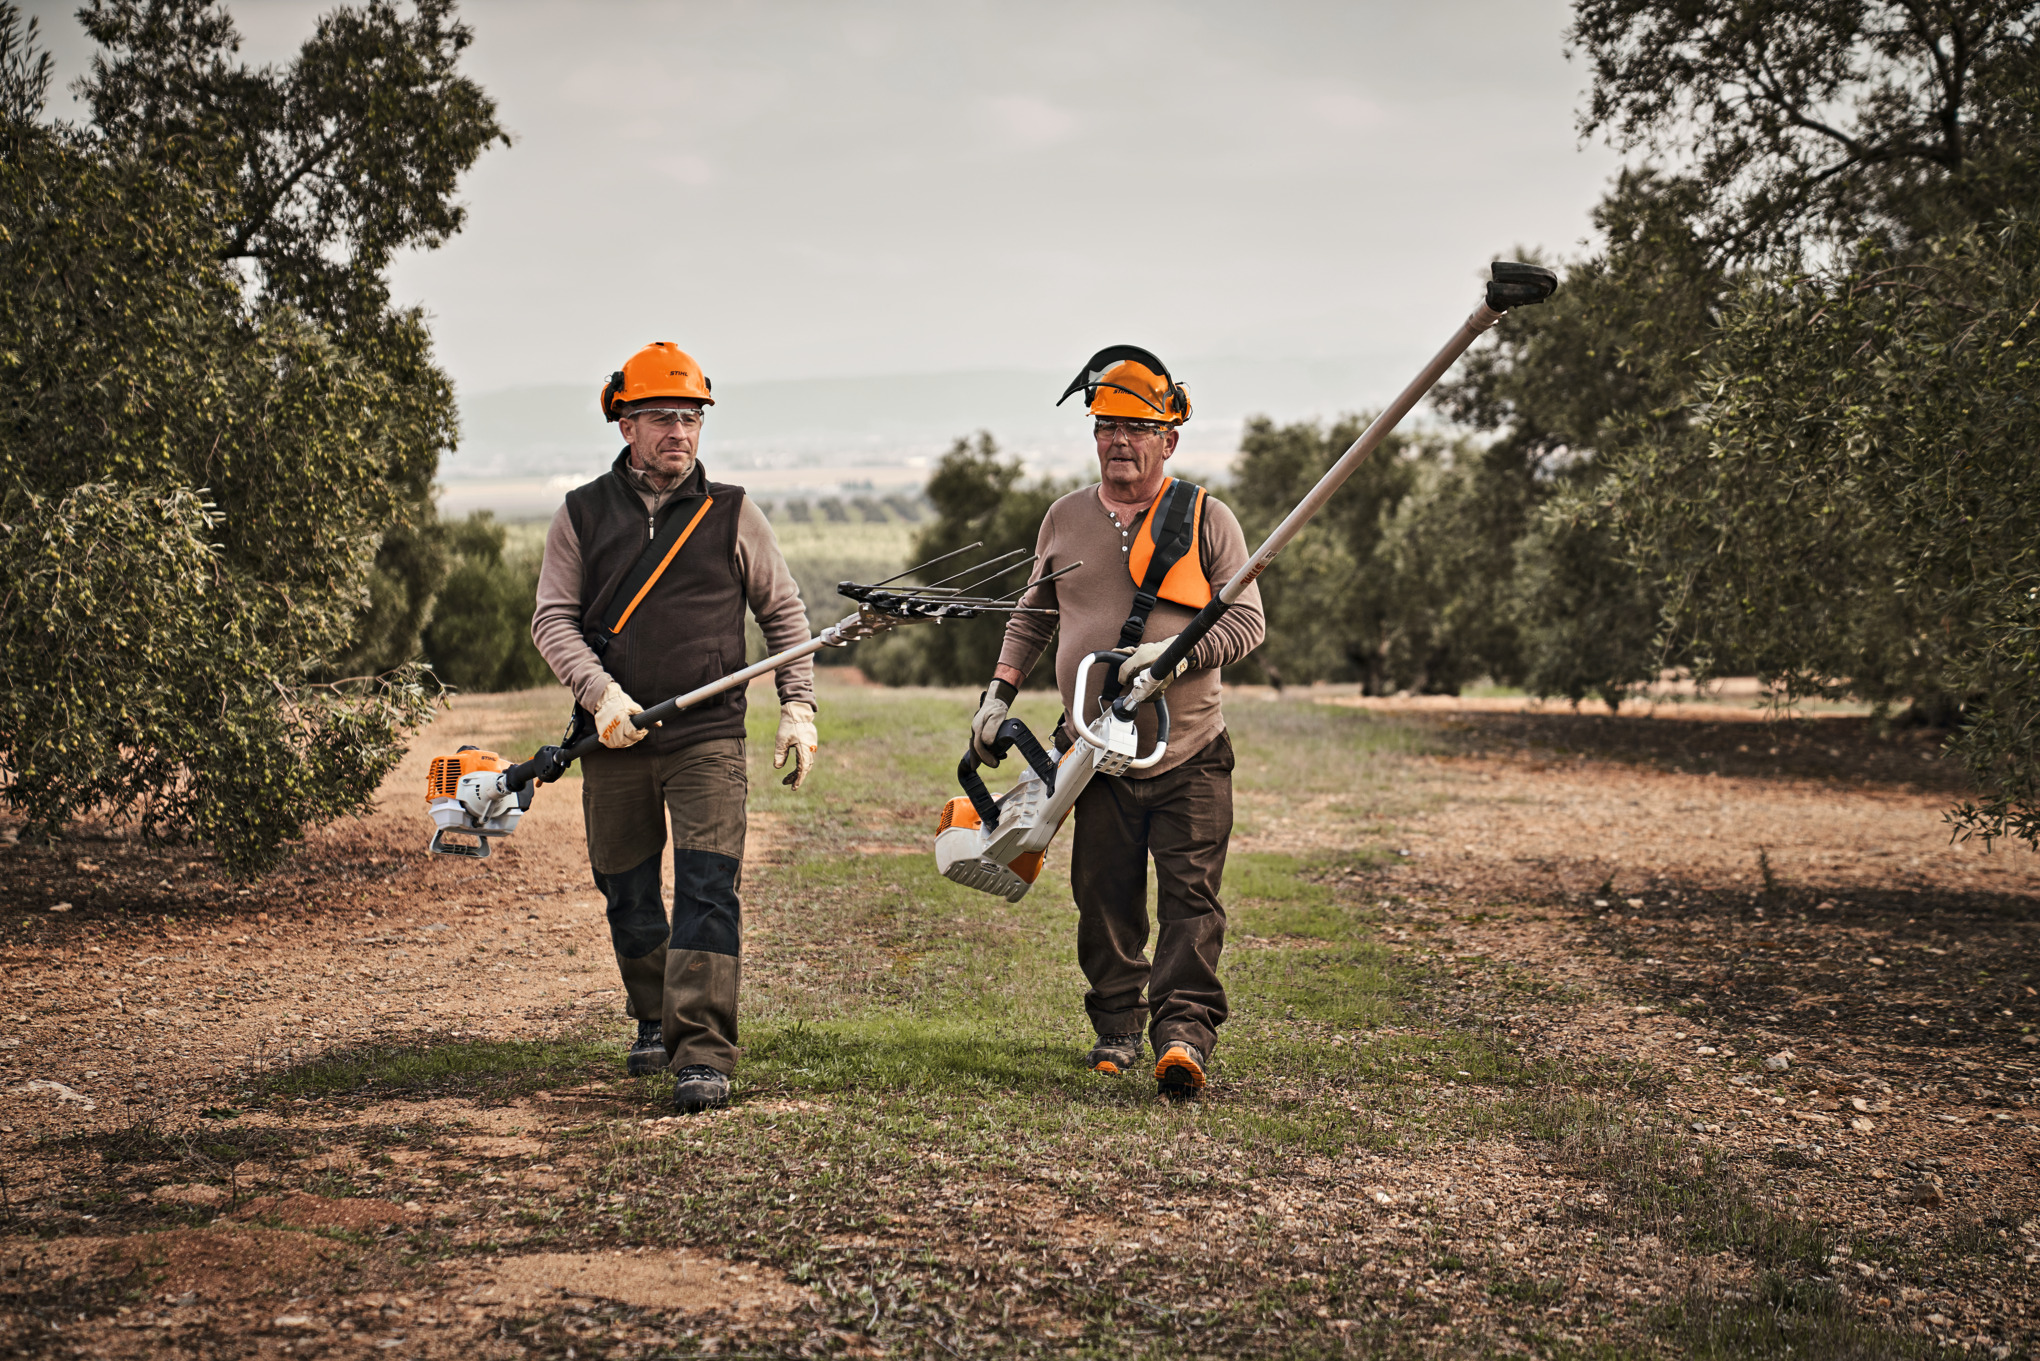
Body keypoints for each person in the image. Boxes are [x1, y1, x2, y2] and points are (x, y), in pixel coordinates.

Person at [531, 341, 819, 1113]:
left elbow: (784, 613)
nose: (680, 433)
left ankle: (703, 1049)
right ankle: (653, 1014)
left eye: (690, 418)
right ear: (625, 424)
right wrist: (599, 695)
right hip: (615, 735)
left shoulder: (733, 511)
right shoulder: (581, 513)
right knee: (625, 888)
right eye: (662, 417)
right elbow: (552, 620)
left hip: (708, 736)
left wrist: (798, 704)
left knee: (706, 886)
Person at [972, 346, 1264, 1097]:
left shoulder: (1207, 518)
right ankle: (1115, 1025)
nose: (1120, 441)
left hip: (1190, 750)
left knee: (1190, 896)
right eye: (1107, 426)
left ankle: (1183, 1034)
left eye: (1137, 427)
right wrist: (999, 695)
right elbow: (1032, 618)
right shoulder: (1065, 518)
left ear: (1169, 437)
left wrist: (1174, 653)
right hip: (1092, 751)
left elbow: (1248, 625)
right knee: (1102, 894)